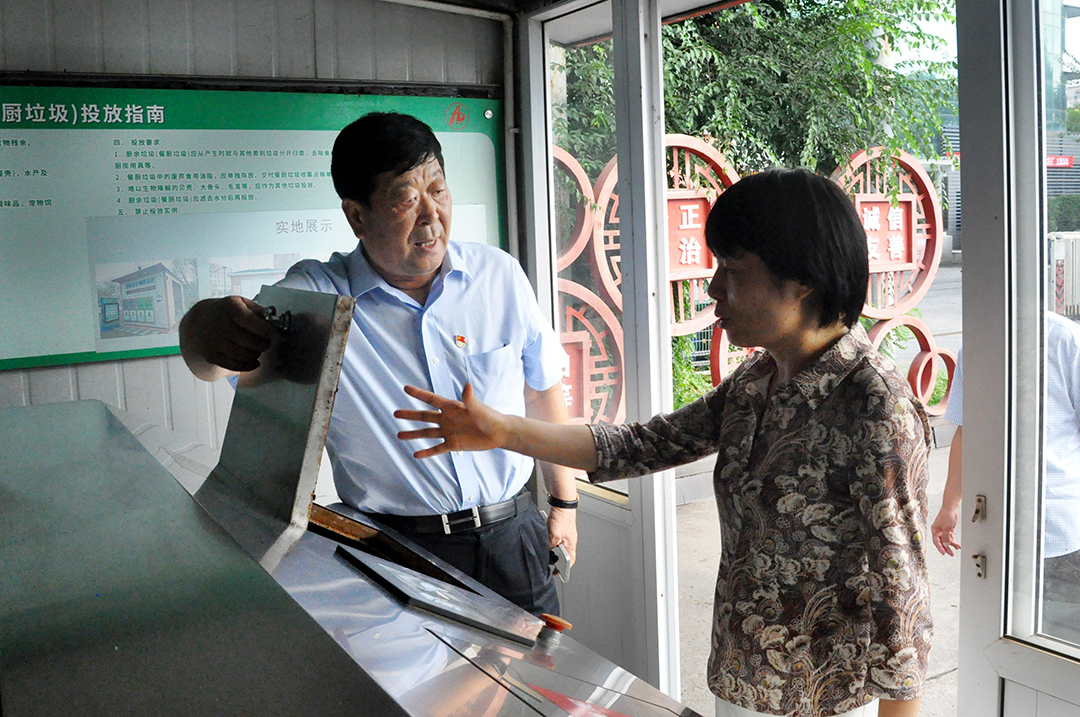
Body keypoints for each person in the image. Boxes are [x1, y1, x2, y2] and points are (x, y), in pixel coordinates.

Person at [396, 168, 932, 717]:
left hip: (826, 698)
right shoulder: (758, 381)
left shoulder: (872, 404)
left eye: (733, 270)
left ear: (802, 282)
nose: (713, 288)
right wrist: (503, 431)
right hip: (745, 679)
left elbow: (901, 593)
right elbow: (642, 444)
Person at [179, 111, 577, 617]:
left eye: (438, 190)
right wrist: (202, 328)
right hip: (398, 552)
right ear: (357, 216)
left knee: (538, 665)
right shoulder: (320, 300)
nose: (431, 216)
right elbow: (213, 359)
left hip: (514, 536)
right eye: (406, 200)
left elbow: (541, 388)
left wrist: (564, 502)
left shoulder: (499, 275)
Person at [931, 318, 1080, 641]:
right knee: (1009, 633)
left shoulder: (1066, 339)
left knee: (1058, 636)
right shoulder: (978, 342)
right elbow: (966, 430)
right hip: (998, 524)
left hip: (1057, 521)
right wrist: (949, 506)